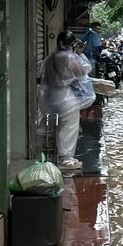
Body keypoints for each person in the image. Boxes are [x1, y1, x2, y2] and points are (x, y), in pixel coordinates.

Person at [38, 31, 93, 173]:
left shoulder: (51, 56)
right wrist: (80, 54)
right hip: (64, 97)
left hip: (50, 96)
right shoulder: (67, 56)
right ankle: (65, 158)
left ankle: (54, 155)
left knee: (54, 126)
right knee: (68, 127)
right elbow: (82, 71)